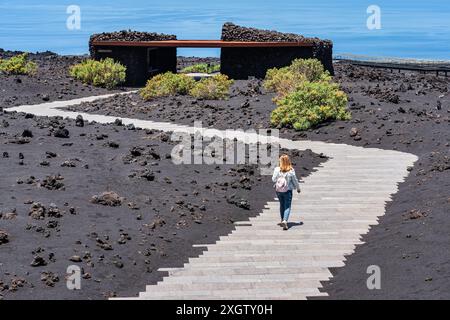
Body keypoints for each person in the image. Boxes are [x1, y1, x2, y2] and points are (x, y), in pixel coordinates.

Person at [272, 154, 301, 230]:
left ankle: (282, 220)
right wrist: (298, 188)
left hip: (279, 190)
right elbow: (295, 180)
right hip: (288, 190)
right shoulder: (291, 170)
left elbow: (273, 179)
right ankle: (285, 220)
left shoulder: (277, 169)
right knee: (287, 206)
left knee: (282, 204)